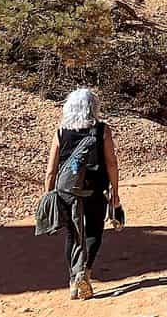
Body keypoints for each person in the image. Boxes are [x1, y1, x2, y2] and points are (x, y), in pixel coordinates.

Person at [42, 88, 122, 300]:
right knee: (94, 231)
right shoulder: (102, 130)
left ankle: (73, 281)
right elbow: (111, 162)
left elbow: (51, 170)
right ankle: (85, 272)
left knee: (72, 234)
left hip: (67, 191)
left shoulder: (60, 132)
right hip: (94, 188)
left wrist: (48, 195)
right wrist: (115, 190)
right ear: (93, 107)